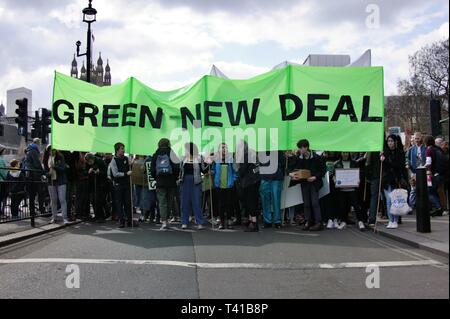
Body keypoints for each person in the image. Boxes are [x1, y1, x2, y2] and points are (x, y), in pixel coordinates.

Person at [288, 139, 326, 231]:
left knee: (314, 202)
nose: (300, 150)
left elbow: (323, 170)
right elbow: (290, 168)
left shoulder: (317, 157)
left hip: (314, 183)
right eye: (299, 148)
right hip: (304, 182)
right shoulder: (299, 158)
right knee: (306, 204)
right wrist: (291, 174)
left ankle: (318, 223)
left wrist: (315, 177)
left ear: (306, 148)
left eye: (301, 148)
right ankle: (308, 222)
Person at [150, 138, 180, 230]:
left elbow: (152, 169)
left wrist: (156, 177)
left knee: (162, 202)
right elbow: (176, 167)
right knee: (170, 201)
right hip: (171, 182)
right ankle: (167, 219)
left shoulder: (156, 154)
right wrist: (174, 178)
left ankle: (164, 221)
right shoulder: (172, 153)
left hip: (160, 182)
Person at [179, 142, 208, 230]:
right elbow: (180, 170)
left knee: (197, 202)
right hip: (185, 181)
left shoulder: (199, 158)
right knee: (185, 202)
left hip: (196, 182)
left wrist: (209, 164)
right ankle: (184, 222)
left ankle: (199, 222)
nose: (185, 151)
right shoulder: (183, 158)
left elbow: (203, 170)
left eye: (186, 149)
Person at [334, 152, 366, 231]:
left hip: (352, 189)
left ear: (349, 154)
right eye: (343, 153)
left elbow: (358, 174)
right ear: (341, 153)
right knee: (342, 206)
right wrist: (335, 180)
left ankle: (360, 221)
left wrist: (358, 180)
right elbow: (334, 175)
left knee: (356, 205)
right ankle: (343, 221)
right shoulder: (337, 164)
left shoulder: (354, 163)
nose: (345, 154)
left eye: (346, 153)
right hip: (341, 189)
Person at [381, 135, 407, 229]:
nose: (390, 143)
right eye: (388, 141)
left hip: (395, 180)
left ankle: (395, 220)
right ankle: (390, 220)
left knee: (394, 201)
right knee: (388, 201)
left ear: (395, 142)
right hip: (386, 180)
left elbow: (398, 165)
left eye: (391, 141)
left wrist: (386, 161)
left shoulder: (400, 152)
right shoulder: (384, 153)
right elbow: (384, 168)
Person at [212, 143, 238, 230]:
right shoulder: (216, 159)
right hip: (219, 185)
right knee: (221, 204)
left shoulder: (231, 159)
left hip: (229, 185)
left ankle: (229, 221)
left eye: (225, 148)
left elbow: (235, 171)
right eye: (222, 148)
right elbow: (213, 170)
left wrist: (233, 180)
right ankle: (222, 222)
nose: (223, 149)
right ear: (219, 149)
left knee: (229, 204)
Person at [237, 141, 261, 232]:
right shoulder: (253, 153)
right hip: (256, 180)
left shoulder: (245, 155)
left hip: (249, 182)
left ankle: (254, 224)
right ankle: (251, 222)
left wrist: (238, 166)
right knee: (253, 201)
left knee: (250, 202)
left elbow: (242, 171)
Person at [43, 145, 69, 224]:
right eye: (50, 150)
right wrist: (48, 174)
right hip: (51, 182)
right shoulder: (46, 159)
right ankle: (54, 217)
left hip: (61, 181)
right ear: (47, 151)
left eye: (53, 150)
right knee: (53, 200)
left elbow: (63, 169)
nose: (52, 152)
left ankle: (64, 218)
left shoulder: (60, 157)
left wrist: (55, 167)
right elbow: (45, 172)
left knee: (62, 199)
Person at [259, 150, 285, 229]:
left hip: (276, 178)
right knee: (265, 200)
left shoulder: (279, 151)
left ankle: (277, 221)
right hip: (265, 177)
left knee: (276, 200)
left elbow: (283, 163)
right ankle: (268, 221)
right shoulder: (261, 151)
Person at [110, 142, 134, 228]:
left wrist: (131, 164)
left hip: (127, 184)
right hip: (118, 185)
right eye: (122, 149)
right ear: (117, 150)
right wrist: (125, 174)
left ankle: (130, 221)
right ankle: (121, 221)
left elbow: (130, 170)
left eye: (123, 148)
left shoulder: (126, 158)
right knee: (119, 203)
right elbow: (115, 173)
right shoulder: (113, 160)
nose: (123, 150)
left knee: (128, 203)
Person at [424, 135, 447, 216]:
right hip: (442, 174)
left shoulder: (429, 150)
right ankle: (444, 208)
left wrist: (427, 170)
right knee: (441, 191)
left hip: (432, 175)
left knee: (429, 191)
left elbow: (428, 163)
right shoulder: (438, 149)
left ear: (426, 142)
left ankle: (438, 207)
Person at [24, 138, 46, 217]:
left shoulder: (29, 150)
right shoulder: (34, 150)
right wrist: (43, 172)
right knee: (40, 193)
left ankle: (32, 211)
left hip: (30, 175)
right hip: (35, 175)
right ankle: (41, 210)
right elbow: (37, 163)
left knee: (32, 195)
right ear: (37, 143)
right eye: (39, 143)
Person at [84, 153, 108, 223]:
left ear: (93, 159)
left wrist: (99, 172)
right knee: (93, 200)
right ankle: (96, 215)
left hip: (100, 183)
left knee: (99, 200)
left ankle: (102, 216)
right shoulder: (87, 163)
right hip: (91, 183)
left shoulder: (100, 161)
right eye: (88, 162)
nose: (89, 163)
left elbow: (106, 172)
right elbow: (85, 171)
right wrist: (88, 172)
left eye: (90, 162)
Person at [406, 132, 426, 208]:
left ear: (421, 138)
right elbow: (407, 158)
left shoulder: (425, 148)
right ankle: (411, 205)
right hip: (414, 171)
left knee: (424, 189)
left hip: (424, 171)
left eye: (418, 138)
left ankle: (424, 205)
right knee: (413, 189)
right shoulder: (411, 149)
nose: (417, 140)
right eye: (415, 138)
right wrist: (407, 164)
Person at [321, 151, 340, 229]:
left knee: (336, 200)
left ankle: (335, 219)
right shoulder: (323, 158)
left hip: (337, 182)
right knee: (327, 201)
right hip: (326, 182)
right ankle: (329, 219)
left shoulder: (339, 158)